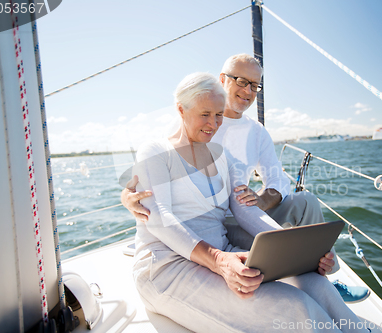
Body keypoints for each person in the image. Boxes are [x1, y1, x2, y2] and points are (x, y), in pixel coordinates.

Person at [132, 72, 369, 332]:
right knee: (297, 309)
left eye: (219, 114)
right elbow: (159, 216)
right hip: (167, 268)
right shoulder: (155, 151)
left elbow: (246, 211)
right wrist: (219, 260)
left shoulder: (223, 158)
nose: (213, 123)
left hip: (223, 253)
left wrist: (304, 251)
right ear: (181, 109)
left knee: (316, 285)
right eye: (205, 114)